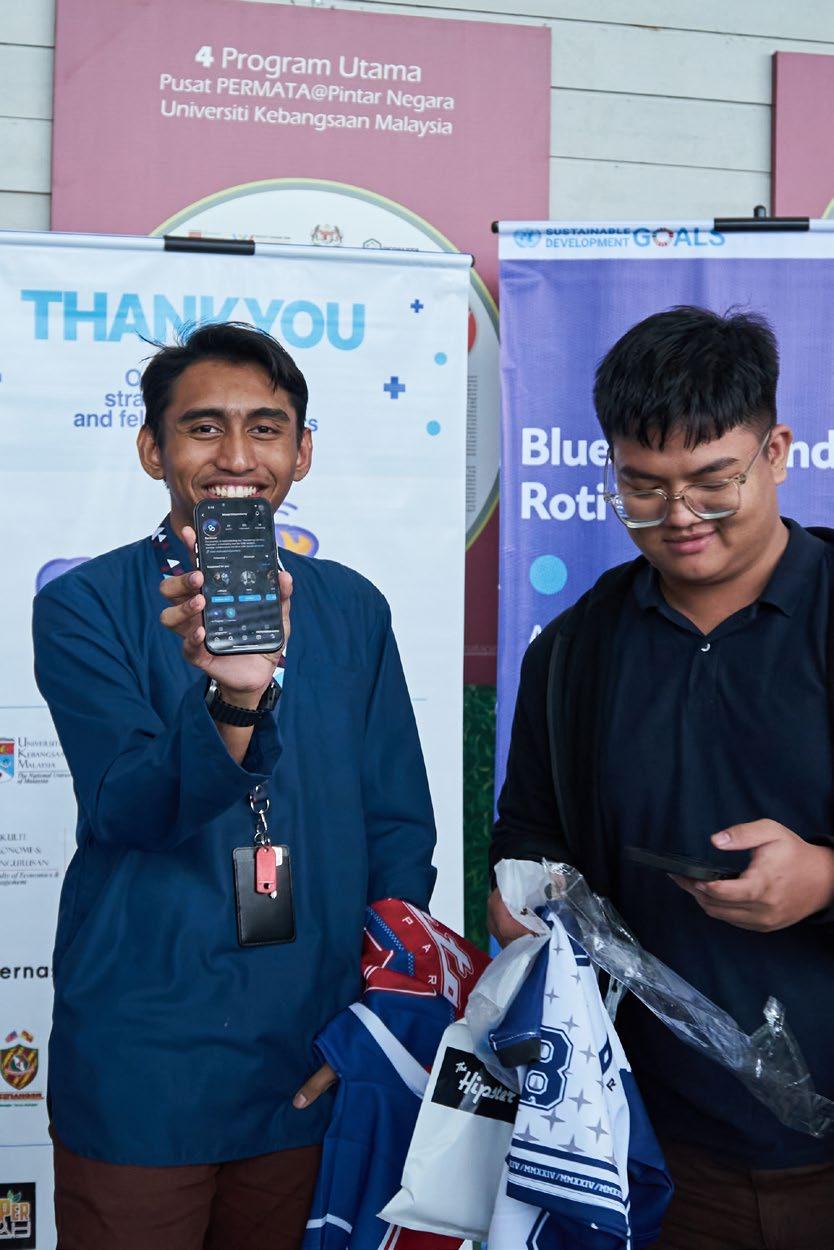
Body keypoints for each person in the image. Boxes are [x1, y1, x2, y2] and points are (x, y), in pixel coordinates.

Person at [32, 322, 437, 1250]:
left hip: (310, 1051)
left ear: (302, 452)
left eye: (266, 428)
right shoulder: (84, 604)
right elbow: (130, 808)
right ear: (153, 449)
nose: (237, 457)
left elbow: (397, 826)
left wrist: (380, 1013)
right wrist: (232, 698)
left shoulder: (352, 606)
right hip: (146, 1059)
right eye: (204, 427)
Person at [488, 307, 834, 1250]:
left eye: (713, 484)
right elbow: (528, 837)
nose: (679, 517)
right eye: (643, 488)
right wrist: (521, 900)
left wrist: (824, 879)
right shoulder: (574, 653)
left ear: (777, 453)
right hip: (653, 1150)